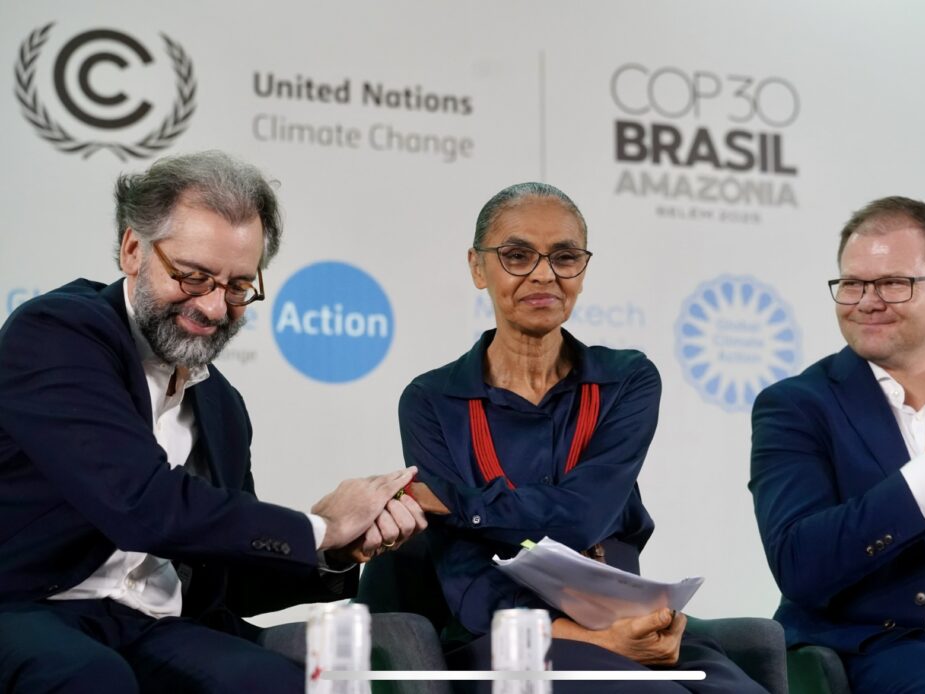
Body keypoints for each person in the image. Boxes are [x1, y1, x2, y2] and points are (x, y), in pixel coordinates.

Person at [0, 151, 426, 693]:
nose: (215, 308)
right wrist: (319, 527)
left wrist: (334, 550)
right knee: (89, 677)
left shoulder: (222, 405)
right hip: (28, 606)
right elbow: (141, 503)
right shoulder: (59, 333)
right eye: (194, 277)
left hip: (154, 624)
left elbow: (228, 577)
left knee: (273, 683)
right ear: (133, 250)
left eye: (238, 287)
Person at [398, 182, 767, 693]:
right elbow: (465, 575)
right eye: (517, 256)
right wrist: (595, 640)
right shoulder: (433, 400)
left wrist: (461, 504)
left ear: (582, 270)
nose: (544, 274)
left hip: (621, 617)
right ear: (478, 268)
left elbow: (584, 516)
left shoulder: (626, 380)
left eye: (565, 257)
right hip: (510, 640)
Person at [750, 196, 925, 692]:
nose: (867, 301)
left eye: (894, 283)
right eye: (852, 284)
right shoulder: (797, 406)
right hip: (887, 646)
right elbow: (799, 563)